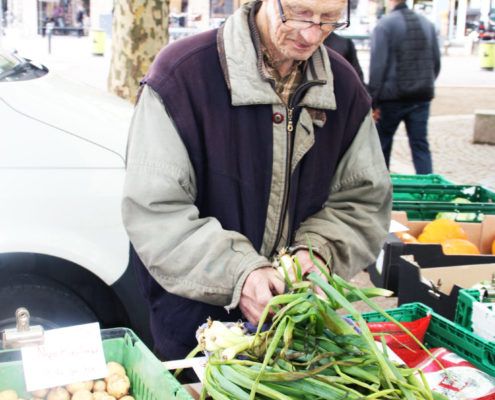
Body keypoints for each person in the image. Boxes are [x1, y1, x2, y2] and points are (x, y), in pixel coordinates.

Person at [122, 0, 392, 363]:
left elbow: (363, 201)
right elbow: (156, 210)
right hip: (196, 332)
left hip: (297, 337)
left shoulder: (344, 87)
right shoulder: (182, 75)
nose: (312, 33)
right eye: (298, 14)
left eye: (329, 20)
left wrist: (319, 251)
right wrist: (240, 273)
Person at [368, 0, 441, 174]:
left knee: (382, 144)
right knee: (420, 145)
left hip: (391, 98)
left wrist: (373, 100)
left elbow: (377, 67)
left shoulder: (384, 25)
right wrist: (425, 84)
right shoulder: (427, 24)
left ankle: (381, 187)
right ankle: (427, 187)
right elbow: (436, 63)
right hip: (421, 96)